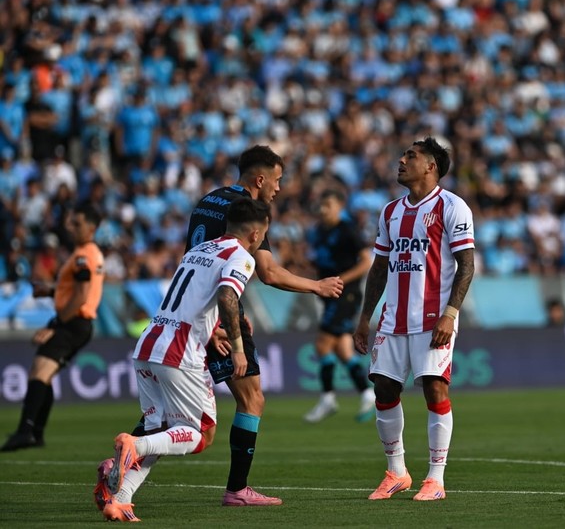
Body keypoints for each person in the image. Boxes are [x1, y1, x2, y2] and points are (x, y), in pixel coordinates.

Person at [93, 145, 343, 508]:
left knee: (165, 416)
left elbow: (198, 267)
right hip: (207, 327)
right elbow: (268, 273)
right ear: (260, 179)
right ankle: (236, 488)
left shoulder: (208, 201)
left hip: (189, 320)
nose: (278, 188)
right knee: (247, 401)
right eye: (276, 180)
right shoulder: (248, 212)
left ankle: (119, 480)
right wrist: (317, 286)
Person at [100, 197, 270, 522]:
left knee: (160, 432)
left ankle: (119, 499)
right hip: (179, 352)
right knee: (199, 434)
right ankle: (133, 445)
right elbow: (227, 296)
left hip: (149, 344)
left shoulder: (198, 250)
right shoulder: (241, 256)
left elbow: (189, 299)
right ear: (255, 233)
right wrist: (237, 347)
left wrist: (212, 331)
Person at [352, 136, 475, 501]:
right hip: (393, 319)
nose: (402, 161)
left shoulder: (452, 207)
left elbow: (467, 266)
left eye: (411, 156)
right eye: (404, 155)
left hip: (434, 318)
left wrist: (450, 314)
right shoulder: (390, 211)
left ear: (430, 166)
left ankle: (435, 479)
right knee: (384, 389)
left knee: (434, 388)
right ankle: (397, 472)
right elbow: (379, 267)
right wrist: (365, 317)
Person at [1, 202, 105, 452]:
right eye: (71, 222)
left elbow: (80, 296)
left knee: (39, 373)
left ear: (91, 229)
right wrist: (50, 291)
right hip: (76, 323)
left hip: (72, 323)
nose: (71, 227)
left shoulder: (83, 255)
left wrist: (55, 325)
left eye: (77, 223)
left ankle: (26, 431)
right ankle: (34, 433)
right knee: (43, 375)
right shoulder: (89, 253)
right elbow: (76, 289)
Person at [303, 189, 376, 424]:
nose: (323, 209)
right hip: (329, 295)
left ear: (340, 207)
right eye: (321, 205)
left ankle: (327, 398)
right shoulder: (318, 231)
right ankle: (367, 394)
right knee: (344, 350)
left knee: (322, 344)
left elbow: (366, 261)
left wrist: (340, 280)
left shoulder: (347, 230)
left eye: (329, 204)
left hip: (345, 295)